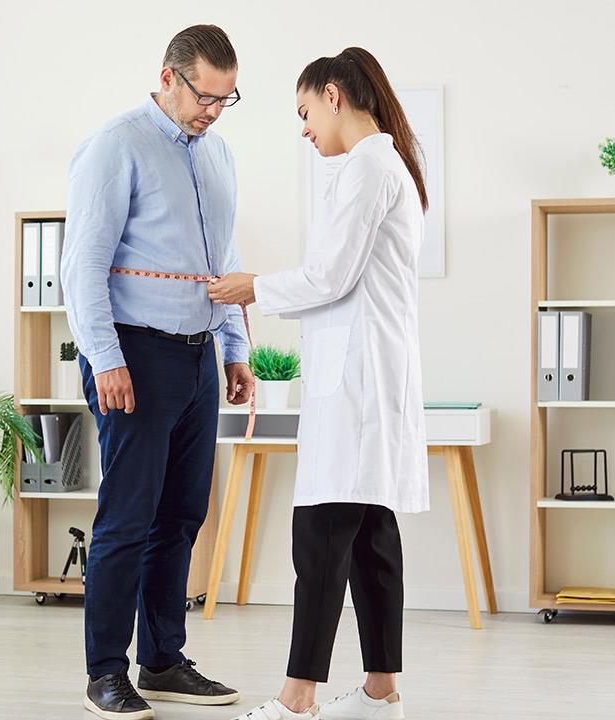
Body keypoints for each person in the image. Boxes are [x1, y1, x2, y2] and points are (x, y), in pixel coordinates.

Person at [207, 46, 431, 720]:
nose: (303, 128)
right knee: (370, 536)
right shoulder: (382, 165)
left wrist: (252, 286)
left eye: (305, 111)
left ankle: (297, 698)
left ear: (334, 96)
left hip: (358, 382)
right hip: (366, 376)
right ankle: (381, 690)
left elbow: (330, 276)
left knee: (323, 534)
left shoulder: (369, 167)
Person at [60, 23, 254, 720]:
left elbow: (223, 259)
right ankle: (105, 674)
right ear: (168, 77)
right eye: (205, 96)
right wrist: (105, 357)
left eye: (227, 99)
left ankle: (164, 660)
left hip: (197, 356)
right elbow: (82, 264)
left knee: (181, 515)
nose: (214, 111)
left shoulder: (218, 153)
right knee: (128, 517)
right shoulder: (116, 146)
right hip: (133, 354)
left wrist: (233, 349)